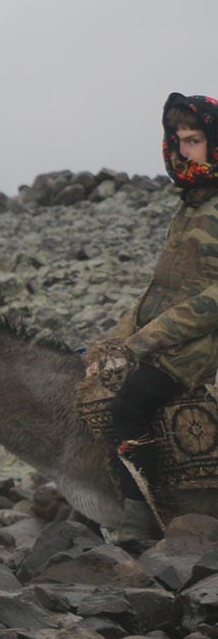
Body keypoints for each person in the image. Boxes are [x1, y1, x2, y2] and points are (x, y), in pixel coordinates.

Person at [87, 93, 218, 531]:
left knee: (129, 404)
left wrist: (149, 338)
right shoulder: (192, 199)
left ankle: (142, 518)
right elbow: (163, 282)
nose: (184, 151)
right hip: (169, 333)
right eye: (178, 140)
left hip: (201, 341)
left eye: (195, 140)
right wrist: (121, 334)